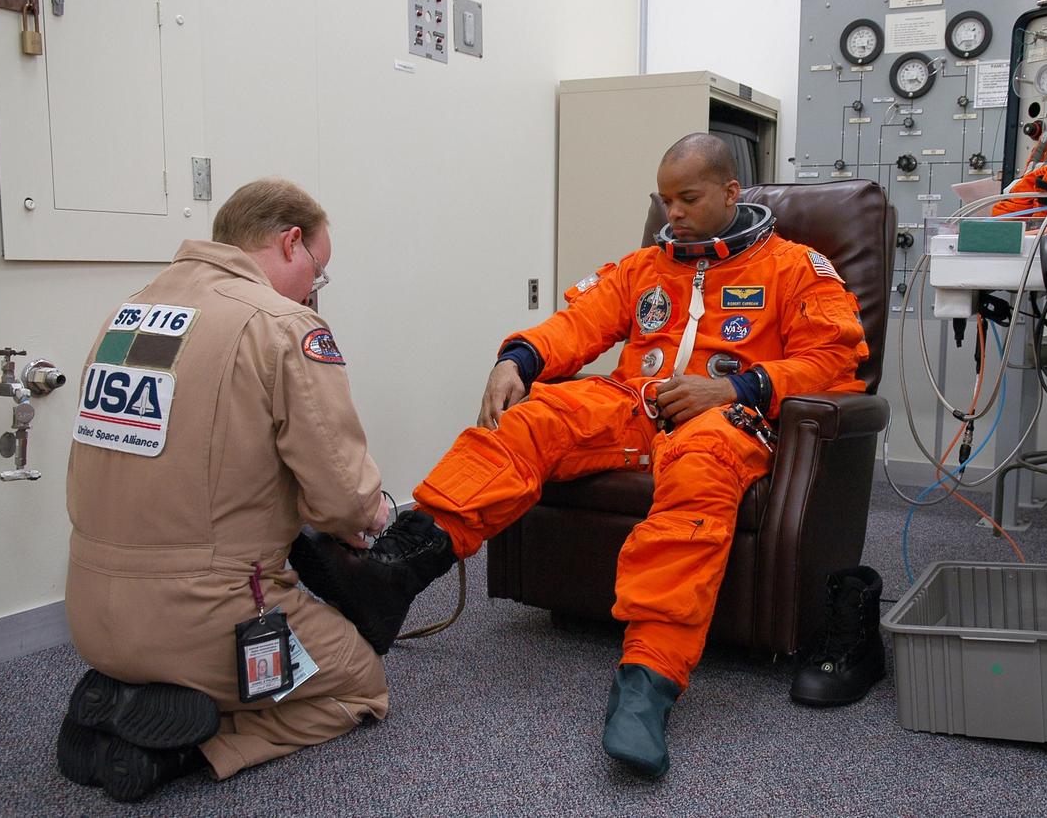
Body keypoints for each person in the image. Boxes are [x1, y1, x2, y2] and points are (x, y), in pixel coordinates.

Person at [293, 134, 871, 777]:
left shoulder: (794, 268)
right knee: (535, 417)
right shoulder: (643, 269)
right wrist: (518, 359)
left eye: (689, 198)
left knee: (697, 473)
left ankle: (648, 679)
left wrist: (732, 387)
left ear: (732, 193)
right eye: (665, 200)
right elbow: (578, 323)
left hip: (725, 422)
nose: (672, 213)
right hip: (635, 404)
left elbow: (834, 362)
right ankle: (398, 567)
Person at [59, 178, 436, 802]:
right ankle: (181, 744)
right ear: (291, 243)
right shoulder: (285, 325)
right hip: (206, 621)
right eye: (318, 270)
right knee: (361, 682)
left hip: (89, 615)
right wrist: (377, 510)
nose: (315, 289)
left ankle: (130, 694)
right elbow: (343, 500)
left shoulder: (127, 312)